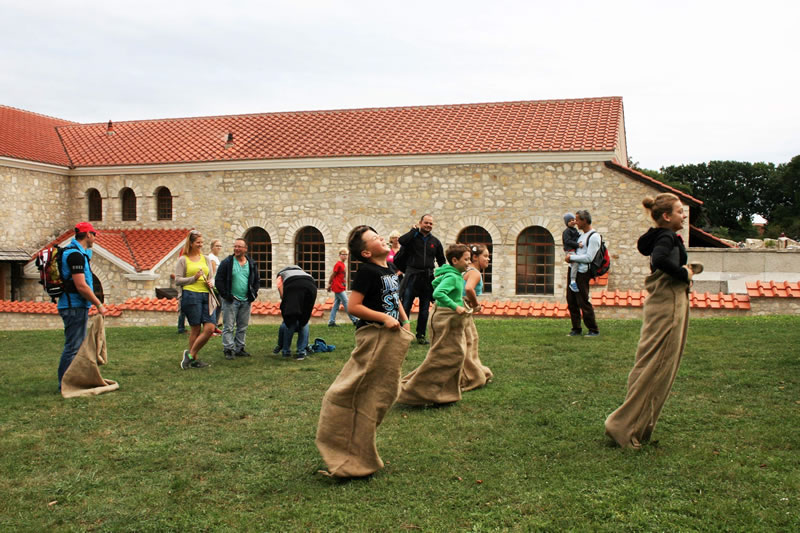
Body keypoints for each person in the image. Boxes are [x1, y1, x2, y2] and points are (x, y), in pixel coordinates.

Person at [315, 226, 414, 478]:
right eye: (375, 239)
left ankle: (359, 449)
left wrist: (404, 320)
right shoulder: (367, 272)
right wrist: (383, 318)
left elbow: (395, 297)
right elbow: (355, 307)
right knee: (358, 389)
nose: (381, 238)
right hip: (373, 335)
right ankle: (343, 448)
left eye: (379, 235)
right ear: (367, 253)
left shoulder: (388, 268)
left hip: (391, 335)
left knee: (385, 391)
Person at [605, 193, 695, 449]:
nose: (684, 215)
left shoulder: (660, 235)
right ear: (667, 217)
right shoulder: (666, 236)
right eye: (680, 211)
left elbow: (652, 253)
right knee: (658, 365)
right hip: (668, 304)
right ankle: (622, 425)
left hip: (664, 304)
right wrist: (684, 274)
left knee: (652, 365)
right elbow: (660, 260)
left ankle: (637, 425)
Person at [397, 244, 471, 406]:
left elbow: (437, 284)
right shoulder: (453, 277)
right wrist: (455, 306)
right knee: (447, 355)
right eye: (466, 259)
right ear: (454, 260)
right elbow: (437, 293)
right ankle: (413, 392)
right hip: (445, 318)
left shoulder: (454, 275)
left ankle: (445, 393)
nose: (469, 262)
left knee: (454, 355)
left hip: (448, 318)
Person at [56, 222, 109, 390]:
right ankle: (65, 382)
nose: (95, 237)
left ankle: (72, 380)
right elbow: (81, 285)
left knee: (76, 345)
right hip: (73, 306)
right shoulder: (75, 256)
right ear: (88, 235)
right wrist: (98, 304)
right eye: (94, 234)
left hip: (75, 305)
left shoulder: (80, 254)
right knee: (73, 346)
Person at [397, 214, 446, 345]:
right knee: (406, 305)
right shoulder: (411, 238)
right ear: (420, 223)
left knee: (424, 308)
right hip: (412, 276)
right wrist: (413, 231)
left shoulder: (435, 242)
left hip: (427, 277)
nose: (428, 225)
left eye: (431, 223)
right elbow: (401, 241)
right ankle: (403, 334)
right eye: (426, 223)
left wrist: (444, 275)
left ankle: (421, 335)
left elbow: (441, 260)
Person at [174, 230, 217, 369]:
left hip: (207, 295)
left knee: (210, 328)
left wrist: (211, 282)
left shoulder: (205, 259)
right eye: (198, 242)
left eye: (202, 243)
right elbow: (178, 280)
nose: (200, 245)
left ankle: (190, 355)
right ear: (191, 243)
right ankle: (194, 360)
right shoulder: (183, 260)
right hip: (191, 295)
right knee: (195, 329)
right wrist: (194, 278)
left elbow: (211, 276)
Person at [215, 238, 260, 360]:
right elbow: (218, 280)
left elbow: (256, 281)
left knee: (242, 326)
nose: (237, 249)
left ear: (245, 249)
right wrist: (226, 295)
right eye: (235, 246)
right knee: (228, 326)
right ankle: (228, 349)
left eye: (240, 247)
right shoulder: (227, 263)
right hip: (231, 300)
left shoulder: (251, 263)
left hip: (246, 300)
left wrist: (253, 293)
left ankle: (240, 348)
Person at [460, 244, 493, 392]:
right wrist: (475, 304)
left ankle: (473, 371)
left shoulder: (467, 270)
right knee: (469, 341)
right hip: (463, 309)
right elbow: (468, 289)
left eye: (488, 256)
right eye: (485, 256)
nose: (488, 259)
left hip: (461, 309)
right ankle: (471, 376)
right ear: (475, 257)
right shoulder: (475, 273)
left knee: (470, 340)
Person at [565, 210, 601, 337]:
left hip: (582, 272)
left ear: (585, 221)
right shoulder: (581, 236)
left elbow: (589, 258)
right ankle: (576, 328)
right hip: (573, 271)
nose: (576, 222)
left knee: (583, 301)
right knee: (571, 300)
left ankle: (593, 329)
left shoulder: (594, 236)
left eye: (578, 220)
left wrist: (572, 258)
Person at [276, 265, 318, 360]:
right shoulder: (304, 273)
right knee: (304, 320)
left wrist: (286, 303)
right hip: (311, 286)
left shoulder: (281, 275)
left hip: (292, 287)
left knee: (290, 320)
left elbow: (282, 294)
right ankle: (301, 352)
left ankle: (286, 351)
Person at [327, 248, 357, 327]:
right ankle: (354, 320)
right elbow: (333, 274)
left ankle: (331, 321)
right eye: (343, 254)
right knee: (346, 302)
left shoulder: (343, 264)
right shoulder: (338, 264)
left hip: (341, 286)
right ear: (340, 255)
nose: (345, 256)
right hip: (337, 287)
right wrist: (329, 284)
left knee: (336, 304)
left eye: (346, 254)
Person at [562, 212, 582, 292]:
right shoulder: (567, 231)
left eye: (574, 220)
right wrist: (577, 245)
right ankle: (573, 281)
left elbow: (578, 236)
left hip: (573, 250)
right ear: (567, 223)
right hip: (569, 251)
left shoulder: (574, 230)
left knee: (575, 264)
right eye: (570, 220)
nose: (573, 221)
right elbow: (567, 241)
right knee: (575, 263)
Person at [208, 239, 223, 335]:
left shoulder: (216, 258)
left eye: (220, 246)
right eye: (217, 246)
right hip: (214, 286)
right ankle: (212, 326)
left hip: (217, 284)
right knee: (216, 305)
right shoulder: (212, 258)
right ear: (212, 247)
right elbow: (212, 273)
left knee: (219, 305)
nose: (218, 248)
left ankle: (215, 325)